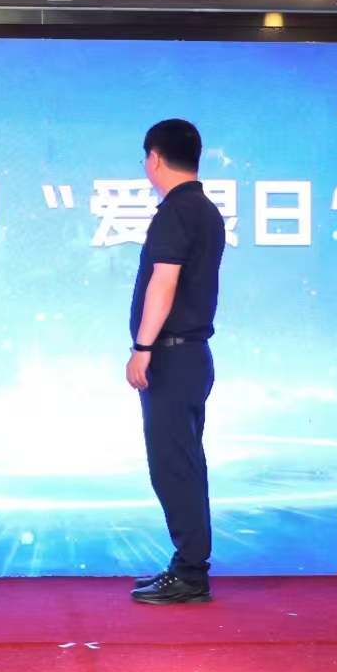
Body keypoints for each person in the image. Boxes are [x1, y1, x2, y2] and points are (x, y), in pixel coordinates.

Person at [125, 119, 228, 606]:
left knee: (173, 465)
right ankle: (189, 564)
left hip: (171, 354)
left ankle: (190, 571)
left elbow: (163, 283)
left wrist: (142, 348)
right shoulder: (204, 209)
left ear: (155, 158)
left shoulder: (176, 211)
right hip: (191, 355)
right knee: (184, 461)